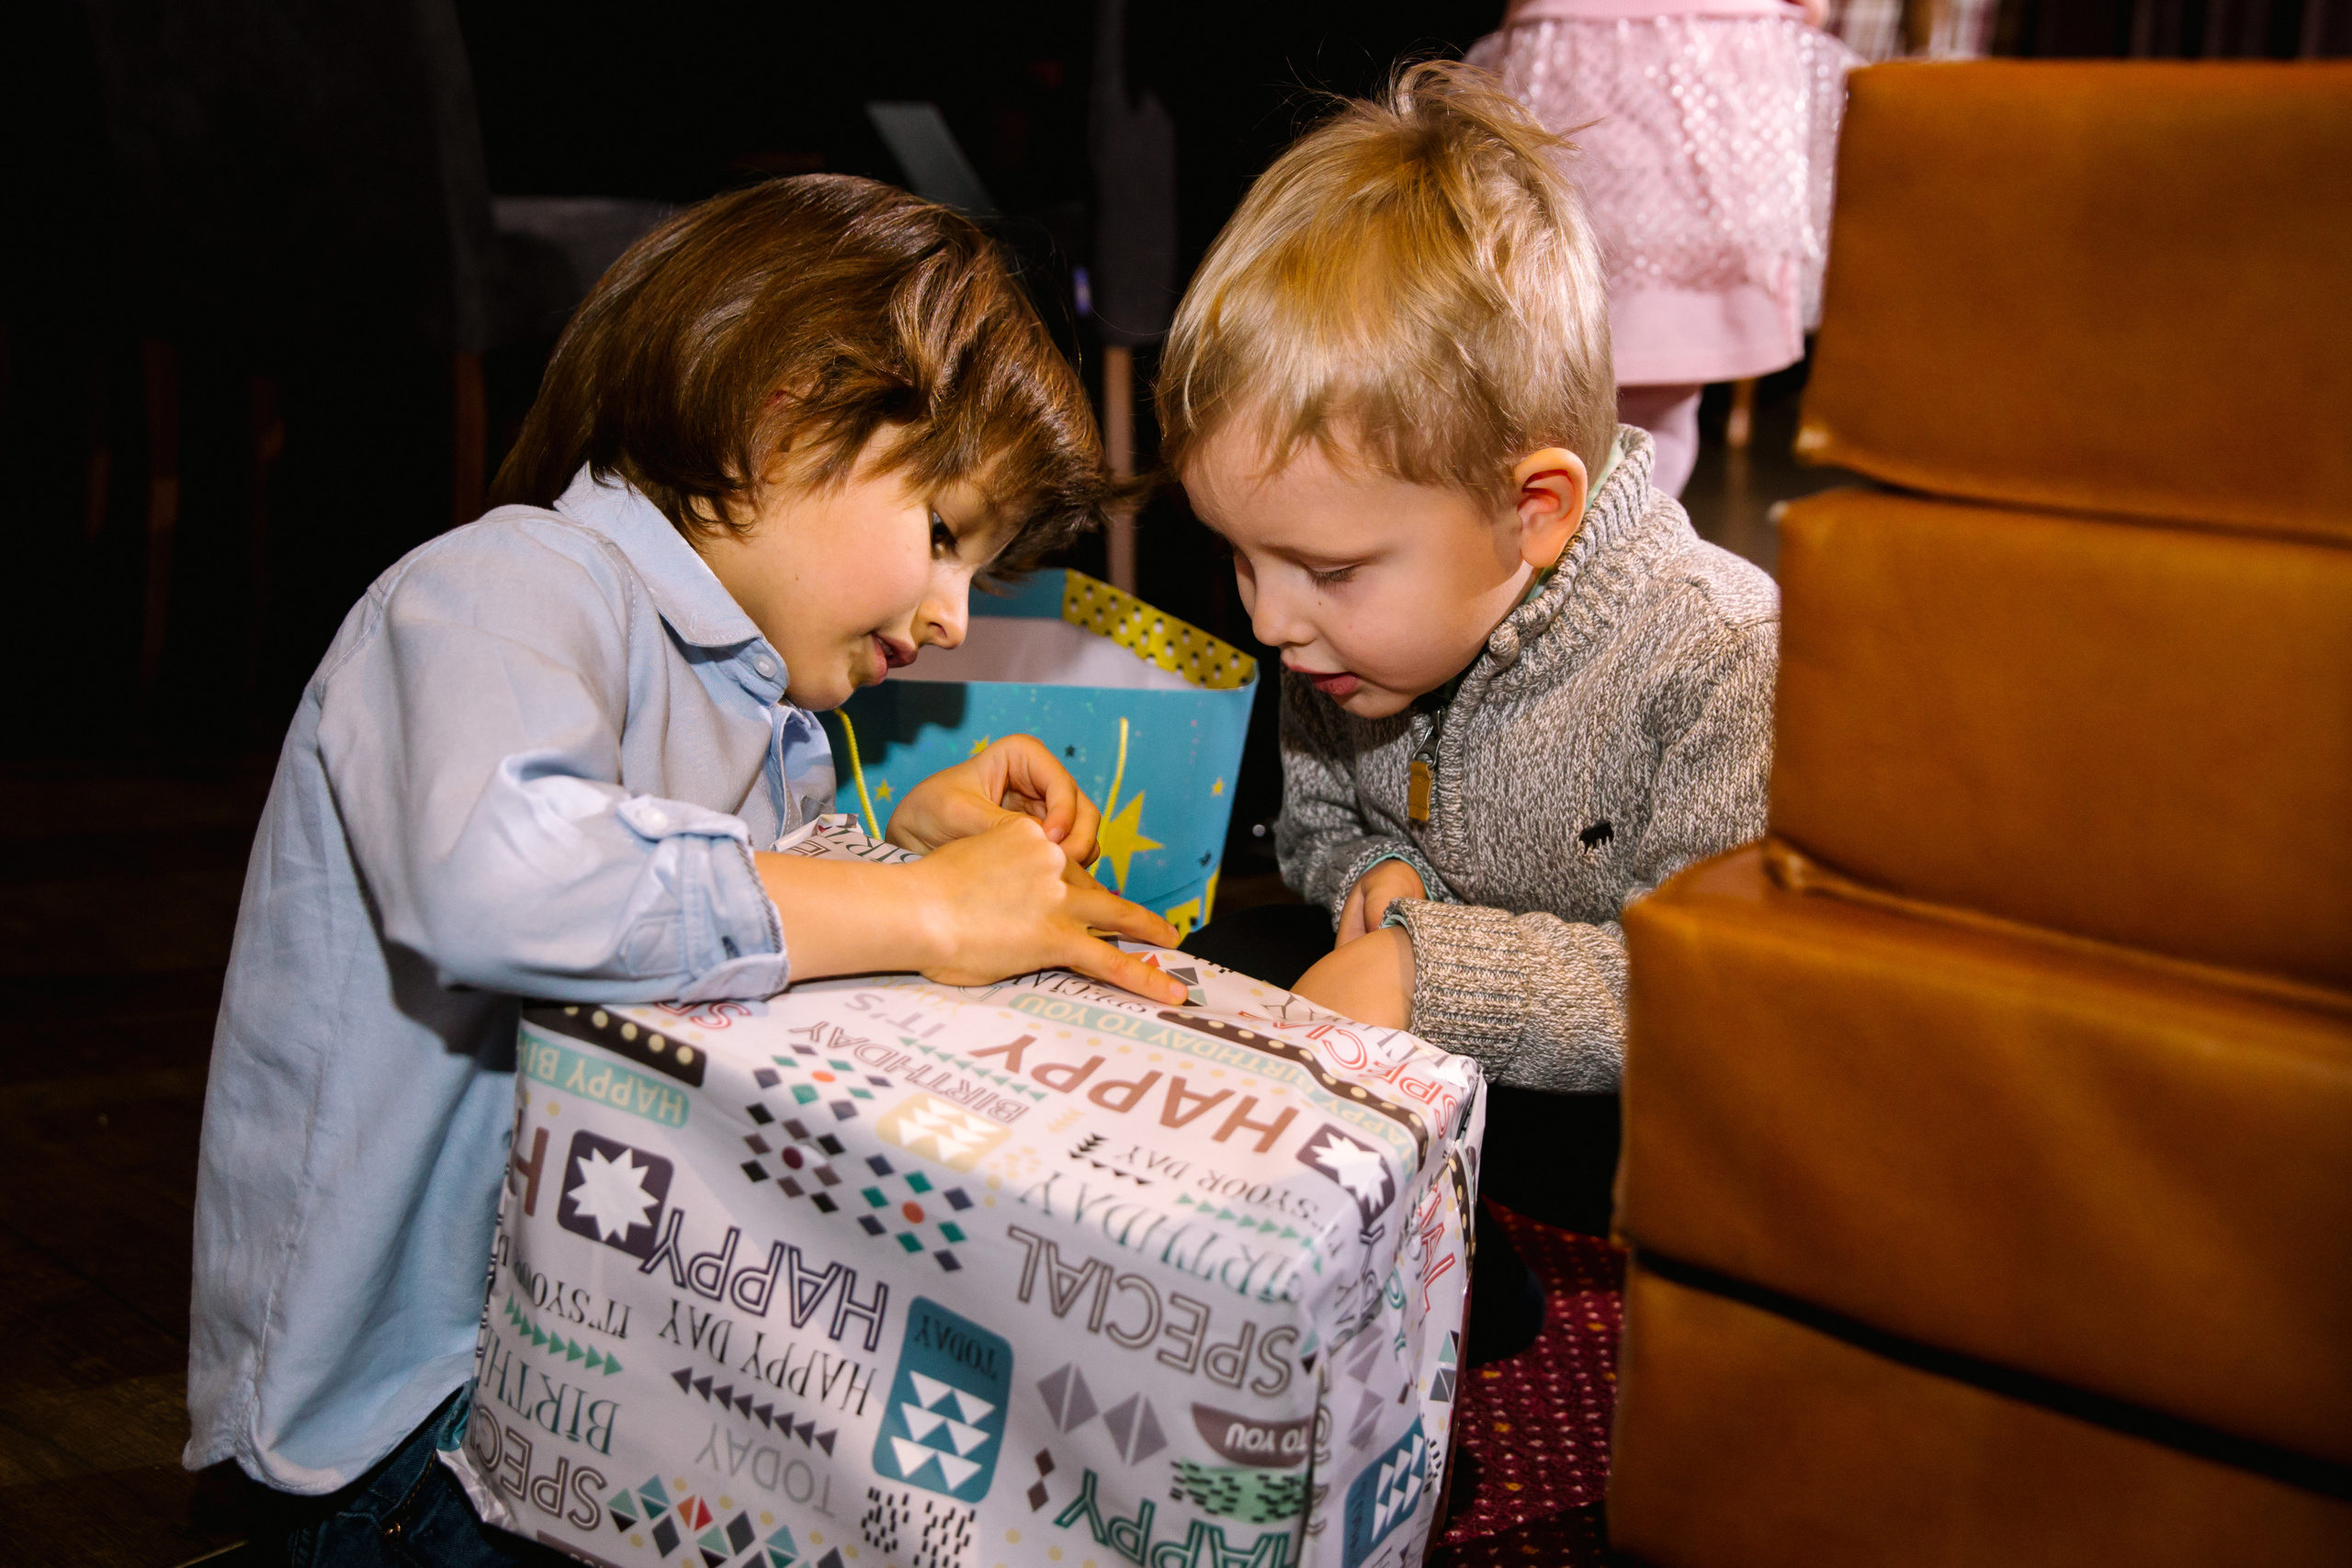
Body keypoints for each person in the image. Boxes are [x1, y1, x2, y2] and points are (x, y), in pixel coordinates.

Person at [185, 175, 1187, 1564]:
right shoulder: (504, 584)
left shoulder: (765, 709)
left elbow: (703, 937)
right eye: (948, 532)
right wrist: (920, 906)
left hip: (593, 1369)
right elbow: (503, 875)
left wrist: (897, 838)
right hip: (400, 1433)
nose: (957, 615)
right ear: (791, 411)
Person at [1165, 64, 1776, 1283]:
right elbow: (1319, 819)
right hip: (1437, 1118)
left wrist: (1423, 968)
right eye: (1240, 558)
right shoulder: (1338, 641)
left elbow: (1698, 993)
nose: (1272, 619)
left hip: (1625, 1162)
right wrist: (1366, 874)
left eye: (1326, 570)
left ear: (1531, 505)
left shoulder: (1719, 652)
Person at [1468, 0, 1860, 496]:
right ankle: (1614, 543)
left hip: (1572, 50)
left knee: (1558, 341)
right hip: (1710, 60)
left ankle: (1574, 539)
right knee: (1656, 383)